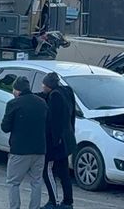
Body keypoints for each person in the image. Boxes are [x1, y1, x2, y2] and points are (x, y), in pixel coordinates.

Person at [1, 76, 48, 209]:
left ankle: (15, 207)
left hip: (19, 150)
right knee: (37, 181)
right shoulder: (42, 103)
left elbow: (5, 127)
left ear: (17, 90)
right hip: (39, 149)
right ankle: (35, 207)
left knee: (13, 182)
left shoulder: (13, 104)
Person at [40, 72, 77, 209]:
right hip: (67, 140)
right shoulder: (66, 92)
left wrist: (53, 143)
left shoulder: (55, 97)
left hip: (57, 143)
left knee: (47, 170)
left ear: (49, 85)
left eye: (44, 84)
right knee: (63, 172)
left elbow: (53, 122)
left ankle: (53, 201)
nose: (42, 86)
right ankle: (68, 202)